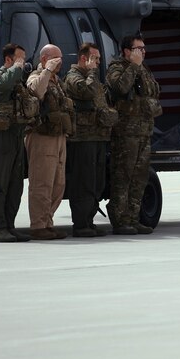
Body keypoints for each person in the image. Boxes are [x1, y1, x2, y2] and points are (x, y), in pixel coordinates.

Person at [105, 34, 161, 235]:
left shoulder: (144, 69)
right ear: (127, 51)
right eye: (138, 48)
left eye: (144, 48)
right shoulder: (117, 67)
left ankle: (133, 217)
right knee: (124, 175)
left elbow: (153, 92)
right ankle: (120, 219)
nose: (143, 52)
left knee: (140, 176)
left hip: (144, 131)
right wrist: (134, 66)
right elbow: (120, 87)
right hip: (125, 133)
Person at [63, 42, 116, 238]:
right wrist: (93, 73)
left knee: (97, 181)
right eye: (95, 59)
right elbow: (86, 92)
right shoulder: (73, 77)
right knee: (83, 181)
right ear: (84, 58)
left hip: (98, 137)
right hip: (82, 139)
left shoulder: (93, 79)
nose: (98, 63)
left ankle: (89, 220)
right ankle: (81, 223)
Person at [0, 43, 33, 243]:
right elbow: (2, 85)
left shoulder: (17, 81)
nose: (23, 63)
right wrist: (17, 68)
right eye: (20, 58)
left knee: (15, 185)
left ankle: (10, 225)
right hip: (2, 135)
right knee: (1, 182)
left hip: (17, 133)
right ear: (8, 60)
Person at [25, 44, 73, 240]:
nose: (59, 62)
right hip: (42, 136)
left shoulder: (57, 81)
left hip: (58, 136)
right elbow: (36, 92)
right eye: (55, 58)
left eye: (60, 58)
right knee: (41, 182)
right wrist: (46, 71)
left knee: (58, 183)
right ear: (44, 59)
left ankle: (47, 221)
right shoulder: (36, 76)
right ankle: (38, 225)